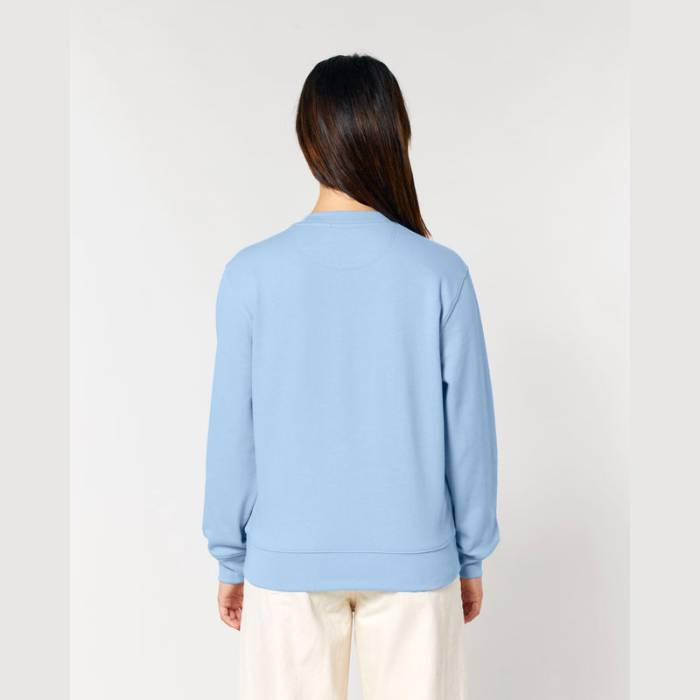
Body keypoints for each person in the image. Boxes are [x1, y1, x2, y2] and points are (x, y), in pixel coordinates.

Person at [203, 53, 499, 700]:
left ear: (307, 139)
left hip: (287, 562)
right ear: (397, 136)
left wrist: (231, 555)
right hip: (416, 557)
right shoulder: (439, 273)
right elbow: (469, 432)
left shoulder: (250, 274)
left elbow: (232, 432)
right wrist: (470, 553)